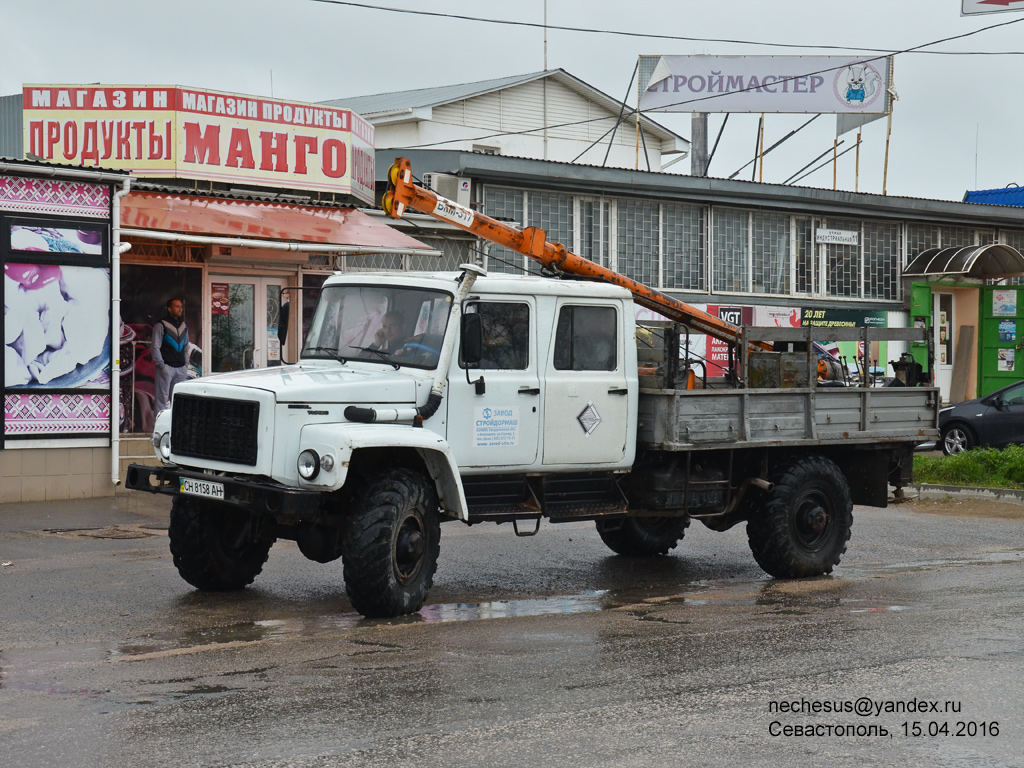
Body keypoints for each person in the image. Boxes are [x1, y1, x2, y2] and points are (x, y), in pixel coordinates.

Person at [152, 297, 189, 412]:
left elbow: (186, 346)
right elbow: (155, 347)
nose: (180, 309)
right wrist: (162, 365)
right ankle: (158, 429)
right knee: (161, 400)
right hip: (166, 368)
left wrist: (186, 364)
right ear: (169, 309)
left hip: (181, 368)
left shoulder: (183, 326)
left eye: (181, 307)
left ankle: (175, 429)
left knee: (179, 401)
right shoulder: (161, 325)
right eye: (177, 306)